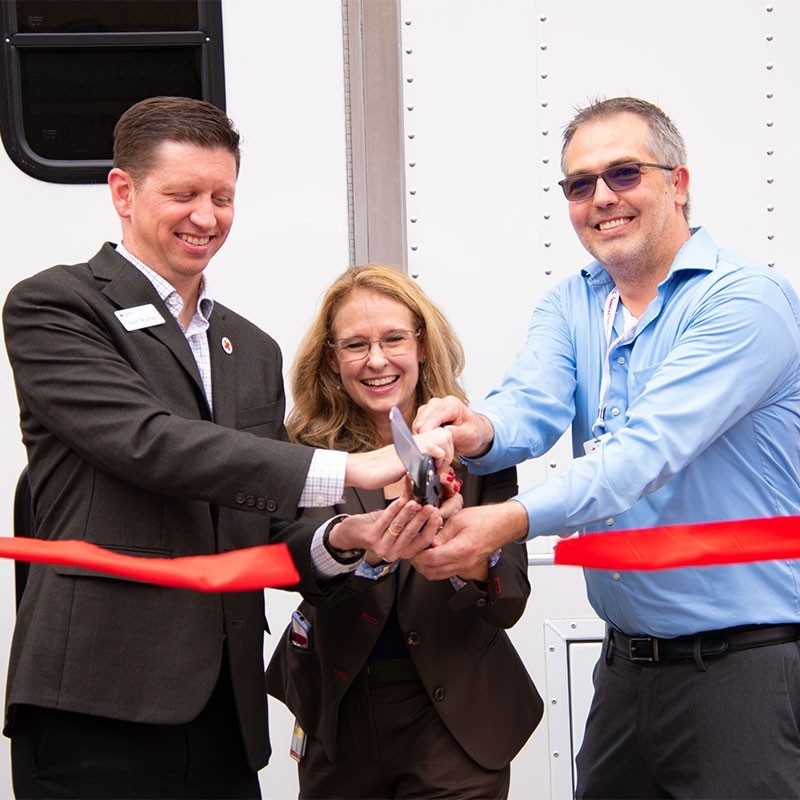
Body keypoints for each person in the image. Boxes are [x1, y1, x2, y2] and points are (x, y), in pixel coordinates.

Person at [2, 96, 453, 800]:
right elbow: (152, 445)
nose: (206, 217)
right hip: (94, 699)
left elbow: (264, 519)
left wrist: (350, 536)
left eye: (222, 196)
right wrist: (355, 469)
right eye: (181, 194)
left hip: (223, 715)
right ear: (122, 193)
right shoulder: (56, 307)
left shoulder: (250, 348)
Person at [413, 96, 800, 799]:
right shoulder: (572, 303)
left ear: (678, 184)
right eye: (580, 184)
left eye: (624, 174)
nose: (601, 198)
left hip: (745, 670)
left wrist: (504, 521)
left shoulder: (745, 303)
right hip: (625, 672)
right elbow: (527, 408)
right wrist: (472, 430)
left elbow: (642, 455)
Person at [266, 264, 543, 799]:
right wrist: (352, 541)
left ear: (421, 344)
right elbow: (289, 562)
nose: (376, 360)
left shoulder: (476, 449)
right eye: (355, 345)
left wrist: (469, 559)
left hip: (456, 719)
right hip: (340, 714)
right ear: (331, 358)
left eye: (393, 338)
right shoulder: (305, 451)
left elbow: (509, 602)